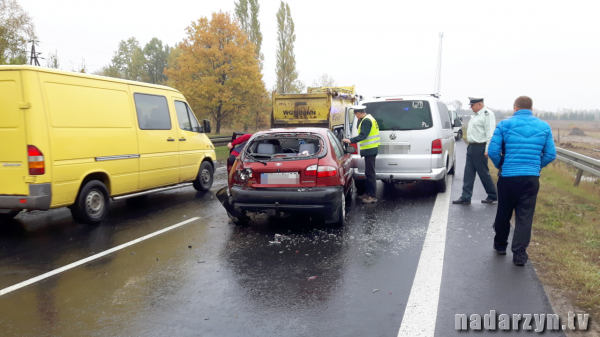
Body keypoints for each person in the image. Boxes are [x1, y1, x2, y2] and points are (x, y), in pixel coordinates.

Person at [488, 96, 556, 266]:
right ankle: (519, 255)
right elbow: (550, 154)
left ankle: (501, 245)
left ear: (515, 108)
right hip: (531, 179)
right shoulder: (544, 126)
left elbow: (493, 151)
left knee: (504, 212)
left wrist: (501, 165)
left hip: (509, 177)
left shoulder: (504, 125)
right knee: (525, 216)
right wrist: (536, 166)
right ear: (531, 109)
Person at [453, 97, 498, 205]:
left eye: (472, 105)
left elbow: (489, 133)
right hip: (472, 147)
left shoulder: (487, 114)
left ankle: (492, 195)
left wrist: (487, 149)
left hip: (480, 147)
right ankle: (466, 196)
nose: (470, 107)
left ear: (479, 104)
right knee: (468, 172)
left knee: (483, 172)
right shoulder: (476, 116)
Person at [343, 105, 380, 204]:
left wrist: (350, 140)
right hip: (370, 149)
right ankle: (368, 193)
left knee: (370, 174)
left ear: (358, 113)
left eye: (356, 115)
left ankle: (372, 196)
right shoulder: (369, 118)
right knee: (368, 173)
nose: (357, 117)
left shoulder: (366, 120)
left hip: (370, 149)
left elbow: (363, 135)